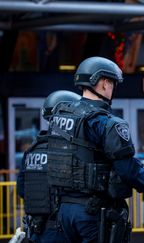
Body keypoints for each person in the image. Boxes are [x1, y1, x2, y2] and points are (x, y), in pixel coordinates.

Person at [46, 56, 144, 243]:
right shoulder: (106, 122)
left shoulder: (60, 117)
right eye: (113, 83)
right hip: (93, 213)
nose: (113, 88)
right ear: (105, 83)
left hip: (64, 212)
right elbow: (127, 167)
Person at [17, 90, 81, 243]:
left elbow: (22, 189)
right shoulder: (67, 150)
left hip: (37, 230)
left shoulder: (33, 149)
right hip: (62, 230)